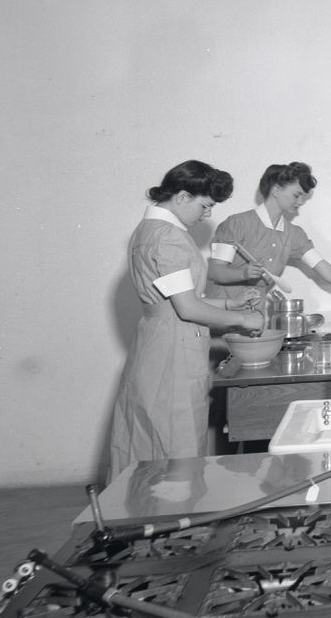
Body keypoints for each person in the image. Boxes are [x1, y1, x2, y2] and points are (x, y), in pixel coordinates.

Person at [108, 160, 265, 480]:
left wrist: (230, 301)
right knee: (176, 446)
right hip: (173, 352)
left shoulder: (148, 230)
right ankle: (173, 519)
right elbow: (188, 309)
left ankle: (151, 518)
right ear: (181, 196)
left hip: (158, 341)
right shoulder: (169, 237)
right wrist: (242, 320)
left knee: (149, 442)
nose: (207, 215)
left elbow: (175, 300)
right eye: (205, 206)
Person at [207, 162, 331, 318]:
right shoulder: (237, 223)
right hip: (220, 316)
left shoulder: (294, 234)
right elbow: (215, 272)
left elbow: (326, 270)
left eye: (303, 197)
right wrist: (243, 274)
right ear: (276, 190)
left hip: (255, 319)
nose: (300, 202)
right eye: (296, 195)